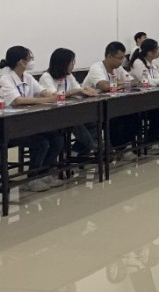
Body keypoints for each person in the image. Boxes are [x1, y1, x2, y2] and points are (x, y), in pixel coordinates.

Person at [0, 46, 66, 192]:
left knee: (57, 138)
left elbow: (41, 91)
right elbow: (18, 101)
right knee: (41, 143)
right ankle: (32, 178)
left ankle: (44, 174)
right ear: (21, 61)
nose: (31, 61)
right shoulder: (6, 79)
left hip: (29, 124)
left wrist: (51, 95)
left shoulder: (28, 77)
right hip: (11, 128)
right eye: (29, 58)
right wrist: (47, 100)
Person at [40, 48, 99, 159]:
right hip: (52, 115)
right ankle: (96, 147)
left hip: (67, 112)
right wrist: (76, 91)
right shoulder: (46, 77)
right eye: (71, 62)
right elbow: (54, 96)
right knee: (74, 121)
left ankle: (76, 150)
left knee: (94, 122)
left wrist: (86, 90)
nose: (73, 65)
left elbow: (78, 88)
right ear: (62, 63)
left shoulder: (68, 76)